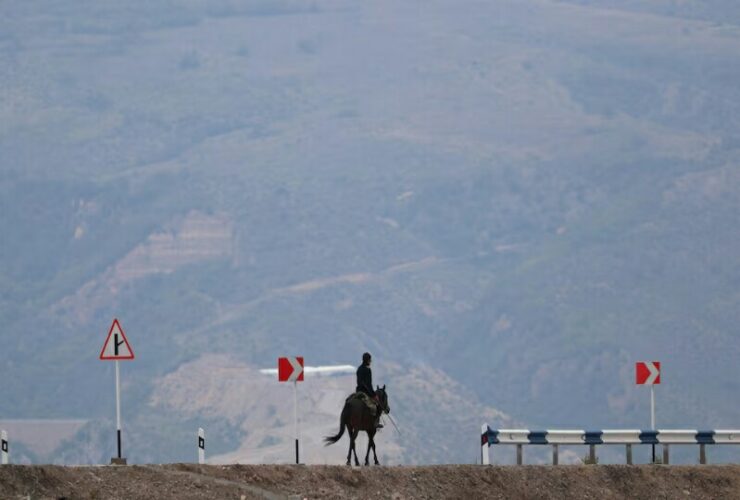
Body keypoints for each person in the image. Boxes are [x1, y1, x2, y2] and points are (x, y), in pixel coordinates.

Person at [356, 352, 383, 429]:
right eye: (370, 360)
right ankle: (375, 423)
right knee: (375, 406)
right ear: (367, 360)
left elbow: (359, 382)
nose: (370, 362)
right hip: (365, 392)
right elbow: (368, 385)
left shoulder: (359, 369)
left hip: (358, 391)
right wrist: (374, 395)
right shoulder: (368, 370)